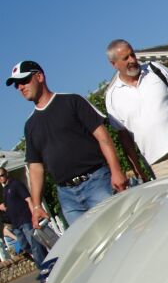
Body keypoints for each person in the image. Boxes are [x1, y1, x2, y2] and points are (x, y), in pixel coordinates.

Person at [6, 61, 127, 227]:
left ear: (39, 77)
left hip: (97, 182)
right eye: (17, 85)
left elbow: (103, 137)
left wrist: (116, 171)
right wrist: (36, 206)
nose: (20, 87)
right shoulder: (30, 126)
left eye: (24, 80)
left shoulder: (71, 101)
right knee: (89, 247)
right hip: (67, 197)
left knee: (118, 230)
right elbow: (35, 168)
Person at [105, 39, 168, 179]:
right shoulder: (112, 96)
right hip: (157, 165)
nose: (132, 60)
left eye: (132, 54)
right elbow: (124, 137)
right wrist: (138, 170)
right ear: (114, 64)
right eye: (125, 58)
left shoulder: (155, 70)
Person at [0, 169, 46, 268]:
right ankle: (44, 257)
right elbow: (12, 204)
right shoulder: (5, 189)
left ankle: (43, 267)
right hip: (15, 223)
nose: (1, 178)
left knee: (34, 244)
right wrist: (4, 206)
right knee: (24, 245)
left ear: (7, 174)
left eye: (2, 175)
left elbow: (28, 199)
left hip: (25, 219)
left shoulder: (16, 184)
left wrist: (34, 214)